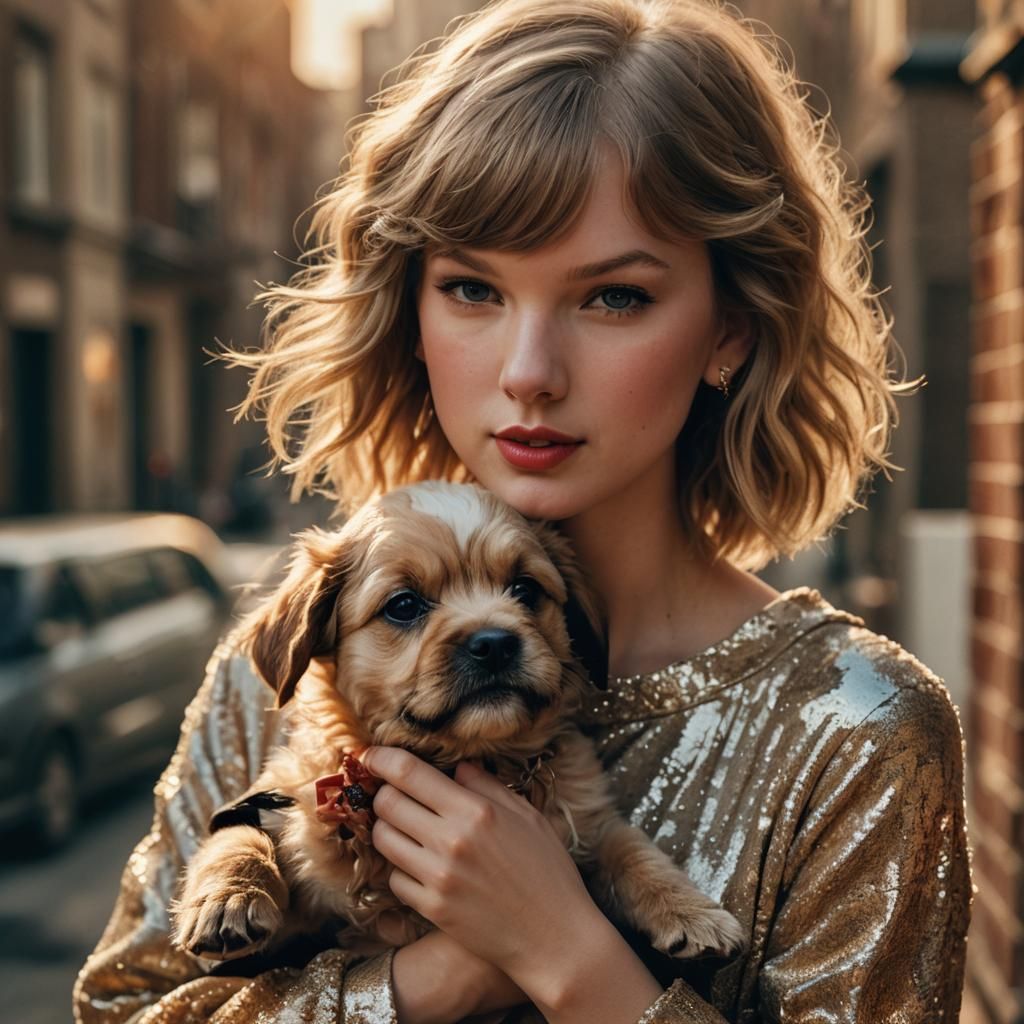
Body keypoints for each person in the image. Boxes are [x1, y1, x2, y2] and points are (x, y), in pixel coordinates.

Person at [73, 0, 971, 1021]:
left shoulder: (855, 735)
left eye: (614, 296)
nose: (529, 372)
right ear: (410, 310)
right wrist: (427, 982)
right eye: (472, 289)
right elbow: (119, 1008)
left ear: (730, 328)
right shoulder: (287, 672)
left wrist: (565, 952)